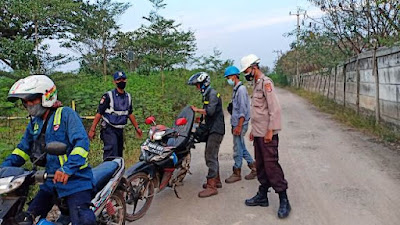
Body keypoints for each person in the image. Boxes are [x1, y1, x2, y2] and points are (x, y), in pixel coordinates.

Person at [2, 75, 96, 225]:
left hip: (76, 181)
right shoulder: (35, 123)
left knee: (83, 220)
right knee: (25, 218)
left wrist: (67, 169)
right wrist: (3, 170)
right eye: (26, 102)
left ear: (46, 96)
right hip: (50, 181)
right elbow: (22, 150)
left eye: (32, 100)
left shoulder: (66, 114)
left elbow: (81, 144)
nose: (29, 105)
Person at [240, 54, 291, 218]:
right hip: (259, 133)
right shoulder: (256, 84)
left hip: (268, 134)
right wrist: (254, 131)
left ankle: (284, 200)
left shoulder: (266, 83)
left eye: (246, 70)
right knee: (261, 166)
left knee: (271, 166)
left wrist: (271, 130)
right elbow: (258, 111)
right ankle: (262, 195)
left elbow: (274, 109)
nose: (245, 74)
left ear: (254, 68)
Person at [88, 71, 142, 160]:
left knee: (119, 154)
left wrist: (137, 128)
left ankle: (118, 173)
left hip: (120, 129)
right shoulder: (108, 96)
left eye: (123, 79)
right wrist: (92, 129)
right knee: (111, 152)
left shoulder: (128, 97)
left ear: (126, 80)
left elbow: (130, 113)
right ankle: (108, 172)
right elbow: (99, 113)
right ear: (114, 82)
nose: (121, 81)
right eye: (119, 80)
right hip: (109, 129)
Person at [187, 72, 225, 198]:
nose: (197, 88)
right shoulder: (207, 94)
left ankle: (211, 186)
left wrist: (196, 110)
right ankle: (216, 180)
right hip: (211, 128)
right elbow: (208, 113)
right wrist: (199, 118)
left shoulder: (212, 94)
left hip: (216, 130)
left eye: (197, 85)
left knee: (210, 156)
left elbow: (210, 111)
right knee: (212, 155)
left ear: (204, 83)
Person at [223, 66, 256, 184]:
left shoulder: (241, 90)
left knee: (237, 148)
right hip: (236, 123)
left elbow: (242, 110)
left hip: (240, 124)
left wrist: (239, 126)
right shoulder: (236, 89)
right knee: (241, 146)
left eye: (228, 77)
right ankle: (254, 167)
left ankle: (237, 172)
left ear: (234, 76)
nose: (228, 79)